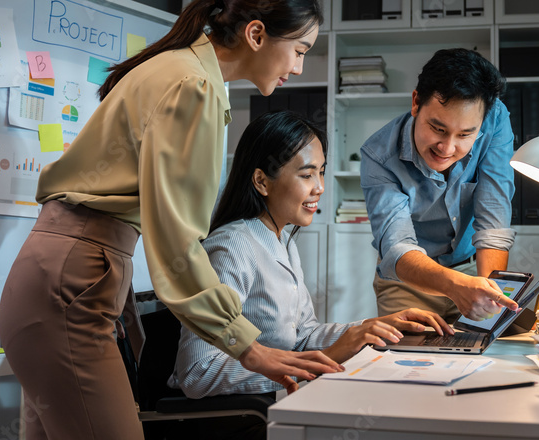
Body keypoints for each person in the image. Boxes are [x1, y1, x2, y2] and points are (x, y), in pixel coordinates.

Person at [0, 2, 341, 439]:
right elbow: (176, 242)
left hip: (58, 276)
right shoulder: (194, 84)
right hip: (70, 284)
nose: (298, 66)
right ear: (256, 35)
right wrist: (249, 349)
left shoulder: (182, 69)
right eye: (299, 49)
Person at [168, 111, 452, 407]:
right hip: (240, 418)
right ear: (262, 181)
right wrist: (316, 363)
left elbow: (302, 336)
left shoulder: (282, 239)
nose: (320, 187)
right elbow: (197, 372)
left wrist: (366, 329)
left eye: (321, 171)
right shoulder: (232, 248)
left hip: (278, 403)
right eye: (306, 175)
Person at [360, 48, 519, 324]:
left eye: (465, 135)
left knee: (489, 353)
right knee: (406, 361)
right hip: (409, 280)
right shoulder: (378, 156)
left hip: (474, 269)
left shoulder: (494, 119)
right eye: (438, 129)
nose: (447, 148)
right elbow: (398, 247)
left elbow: (493, 222)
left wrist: (487, 296)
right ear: (415, 102)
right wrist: (455, 286)